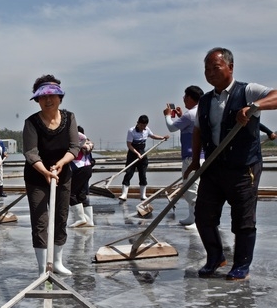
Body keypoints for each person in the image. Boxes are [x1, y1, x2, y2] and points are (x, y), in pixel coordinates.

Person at [185, 47, 277, 281]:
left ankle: (241, 265)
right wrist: (196, 161)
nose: (210, 73)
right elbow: (198, 131)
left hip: (243, 167)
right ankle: (215, 257)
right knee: (203, 216)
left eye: (215, 68)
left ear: (230, 67)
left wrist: (255, 107)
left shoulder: (247, 91)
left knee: (243, 219)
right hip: (214, 167)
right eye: (206, 69)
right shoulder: (205, 101)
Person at [23, 74, 80, 276]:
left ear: (60, 98)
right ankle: (42, 268)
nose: (48, 101)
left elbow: (74, 146)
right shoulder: (31, 123)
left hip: (62, 174)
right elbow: (31, 152)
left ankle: (56, 261)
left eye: (53, 96)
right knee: (40, 220)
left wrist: (62, 163)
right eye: (43, 97)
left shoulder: (70, 118)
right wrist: (45, 171)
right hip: (37, 176)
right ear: (37, 100)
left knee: (61, 218)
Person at [163, 85, 204, 226]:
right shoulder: (201, 112)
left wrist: (168, 115)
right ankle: (193, 216)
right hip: (203, 156)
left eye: (185, 96)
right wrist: (181, 116)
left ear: (190, 98)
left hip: (191, 157)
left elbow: (171, 127)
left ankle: (195, 218)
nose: (183, 99)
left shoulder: (190, 114)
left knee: (190, 188)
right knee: (198, 187)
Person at [118, 115, 169, 201]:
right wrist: (137, 153)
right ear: (137, 123)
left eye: (144, 126)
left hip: (142, 154)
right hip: (132, 154)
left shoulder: (147, 130)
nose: (143, 127)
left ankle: (143, 195)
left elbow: (152, 136)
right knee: (129, 173)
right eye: (141, 125)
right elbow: (129, 145)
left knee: (143, 175)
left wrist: (162, 138)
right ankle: (124, 194)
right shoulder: (131, 131)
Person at [68, 126, 95, 228]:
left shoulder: (77, 142)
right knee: (81, 195)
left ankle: (80, 219)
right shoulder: (87, 144)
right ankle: (89, 220)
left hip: (80, 169)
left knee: (70, 194)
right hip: (87, 169)